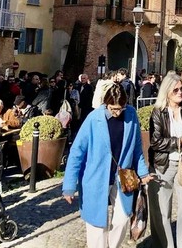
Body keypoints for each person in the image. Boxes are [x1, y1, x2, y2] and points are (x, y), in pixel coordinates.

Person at [62, 83, 152, 248]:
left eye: (121, 108)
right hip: (95, 178)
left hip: (123, 177)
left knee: (123, 218)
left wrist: (143, 173)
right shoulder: (93, 119)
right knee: (97, 225)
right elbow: (76, 152)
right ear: (106, 104)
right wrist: (69, 185)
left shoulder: (131, 114)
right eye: (113, 109)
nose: (117, 112)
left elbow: (137, 148)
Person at [148, 73, 182, 248]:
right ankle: (165, 245)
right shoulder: (158, 113)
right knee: (162, 211)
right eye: (176, 90)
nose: (180, 92)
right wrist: (180, 140)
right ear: (167, 91)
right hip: (163, 165)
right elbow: (155, 142)